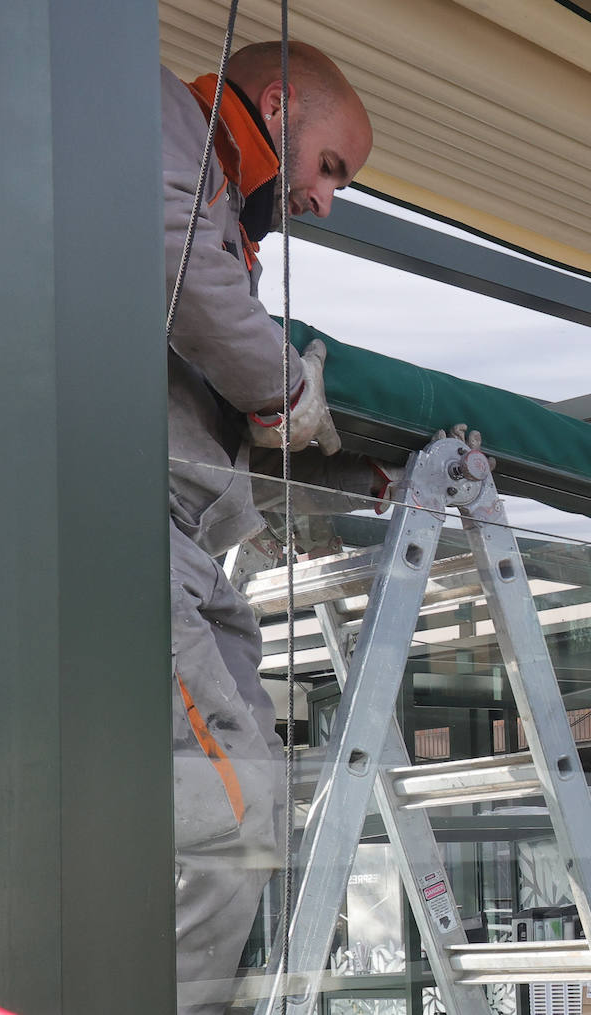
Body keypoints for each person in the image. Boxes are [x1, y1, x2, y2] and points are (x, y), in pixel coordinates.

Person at [161, 42, 378, 1014]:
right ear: (280, 104)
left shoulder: (218, 208)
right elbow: (175, 266)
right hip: (127, 538)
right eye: (331, 167)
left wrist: (343, 457)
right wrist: (289, 384)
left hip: (189, 550)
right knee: (236, 809)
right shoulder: (162, 119)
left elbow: (221, 381)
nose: (327, 202)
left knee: (255, 806)